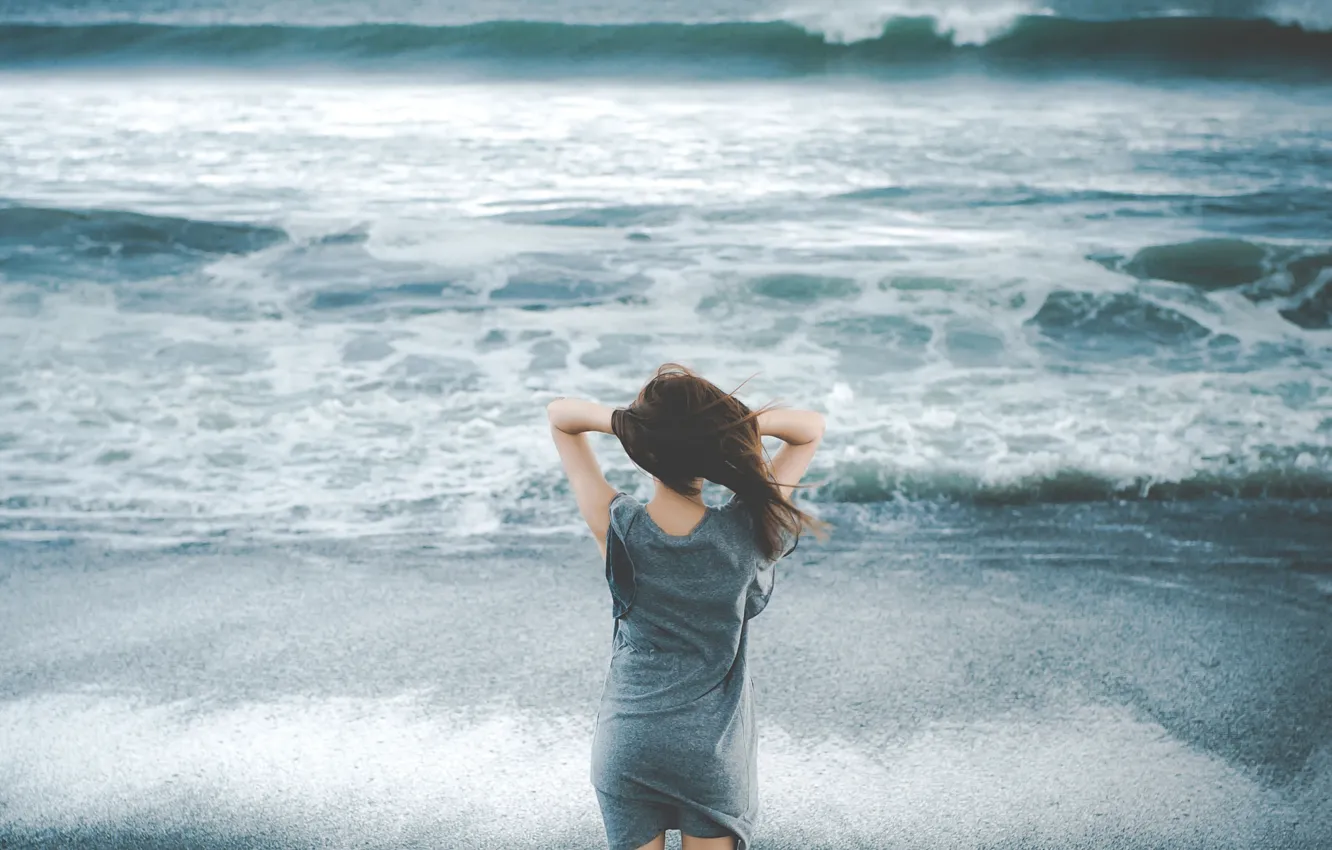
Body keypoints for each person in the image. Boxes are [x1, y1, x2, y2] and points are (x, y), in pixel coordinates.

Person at [546, 363, 827, 850]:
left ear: (643, 451)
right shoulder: (748, 529)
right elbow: (809, 431)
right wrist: (719, 431)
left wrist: (631, 426)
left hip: (628, 741)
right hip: (710, 748)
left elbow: (560, 415)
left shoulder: (620, 526)